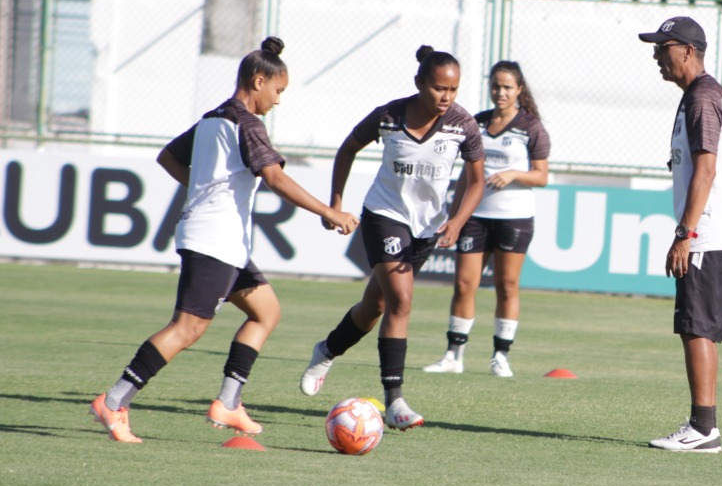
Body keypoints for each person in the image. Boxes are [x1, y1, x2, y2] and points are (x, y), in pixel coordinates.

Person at [90, 37, 361, 443]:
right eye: (278, 91)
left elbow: (168, 156)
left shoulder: (212, 118)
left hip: (225, 242)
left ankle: (228, 404)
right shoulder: (247, 123)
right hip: (212, 240)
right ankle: (113, 402)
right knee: (186, 329)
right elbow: (275, 178)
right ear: (258, 80)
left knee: (265, 312)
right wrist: (329, 212)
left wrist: (203, 185)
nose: (279, 101)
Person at [298, 45, 485, 431]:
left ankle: (327, 349)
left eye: (452, 90)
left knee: (376, 306)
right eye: (438, 89)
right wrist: (335, 201)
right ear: (419, 83)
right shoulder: (388, 116)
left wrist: (456, 220)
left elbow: (477, 181)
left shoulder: (462, 124)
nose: (446, 97)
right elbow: (348, 147)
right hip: (384, 216)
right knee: (401, 300)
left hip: (427, 227)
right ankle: (395, 400)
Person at [638, 16, 722, 454]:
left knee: (696, 327)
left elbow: (707, 168)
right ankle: (703, 426)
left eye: (662, 48)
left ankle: (704, 430)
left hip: (709, 232)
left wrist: (685, 233)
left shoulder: (703, 98)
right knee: (697, 328)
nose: (655, 57)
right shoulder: (695, 97)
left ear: (687, 50)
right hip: (714, 231)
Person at [423, 61, 551, 378]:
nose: (501, 92)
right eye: (496, 86)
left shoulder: (531, 127)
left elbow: (542, 176)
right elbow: (467, 176)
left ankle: (500, 356)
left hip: (514, 218)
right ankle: (454, 355)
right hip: (475, 217)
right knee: (465, 284)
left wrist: (513, 175)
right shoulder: (475, 123)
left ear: (519, 89)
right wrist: (454, 219)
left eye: (507, 87)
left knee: (507, 286)